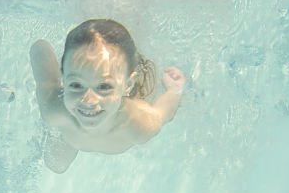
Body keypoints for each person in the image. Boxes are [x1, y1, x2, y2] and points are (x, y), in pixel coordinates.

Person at [30, 19, 186, 173]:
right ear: (64, 79)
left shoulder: (138, 124)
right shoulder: (53, 110)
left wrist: (173, 90)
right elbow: (43, 65)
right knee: (55, 165)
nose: (88, 101)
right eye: (76, 85)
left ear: (128, 85)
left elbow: (163, 113)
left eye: (104, 87)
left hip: (81, 129)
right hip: (69, 134)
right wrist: (39, 46)